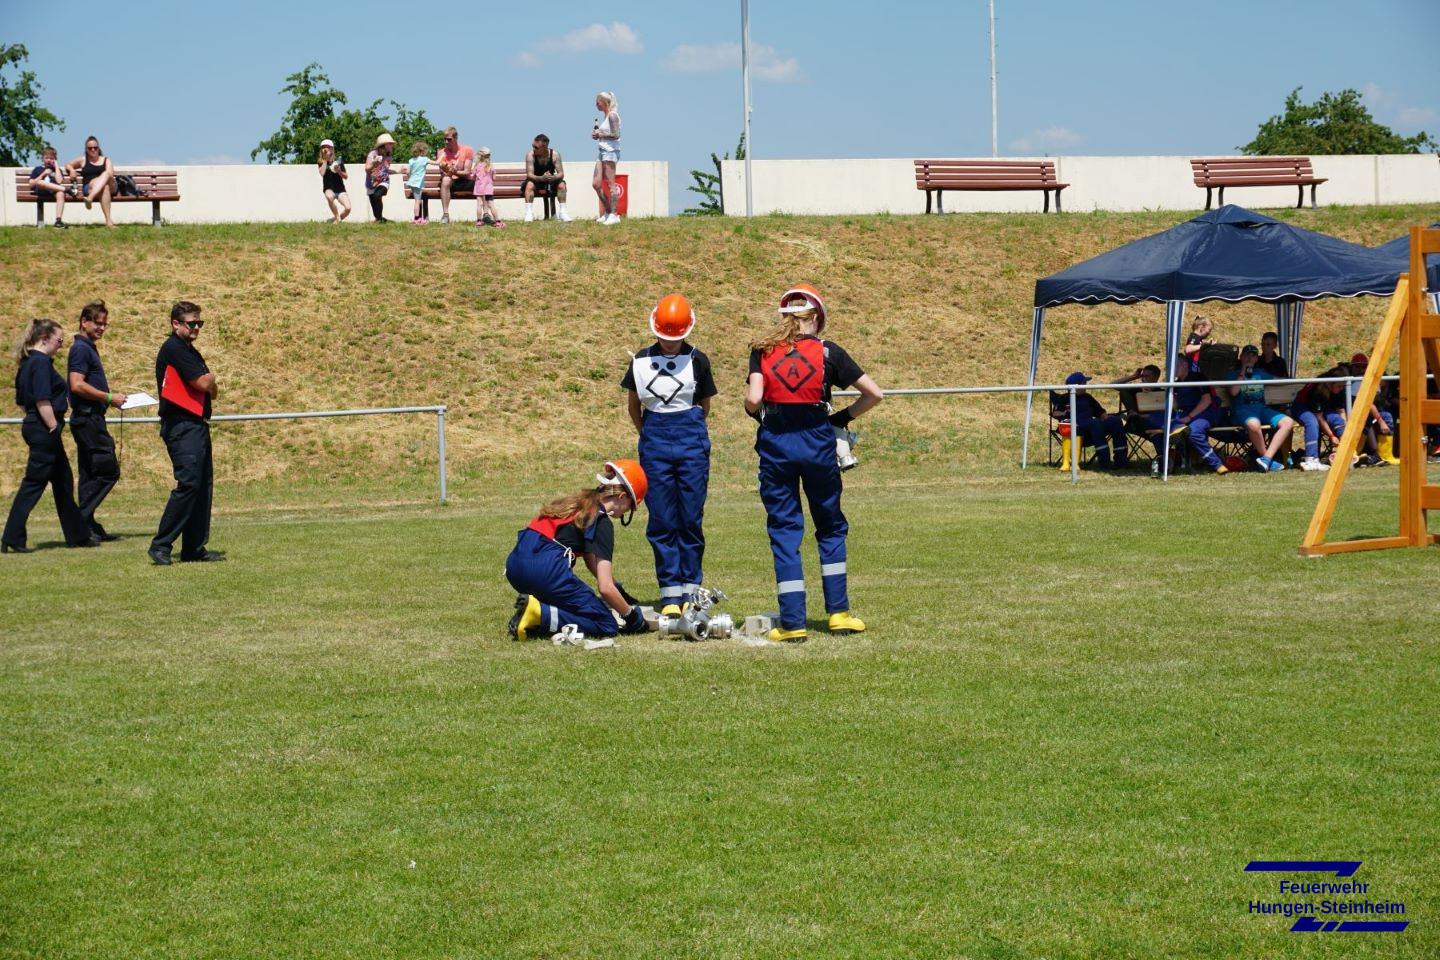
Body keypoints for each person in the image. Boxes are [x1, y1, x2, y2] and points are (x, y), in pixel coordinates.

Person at [744, 283, 882, 643]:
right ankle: (838, 614)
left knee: (785, 530)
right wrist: (841, 418)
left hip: (776, 443)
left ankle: (792, 623)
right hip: (818, 440)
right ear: (817, 317)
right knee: (830, 525)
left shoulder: (763, 351)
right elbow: (874, 394)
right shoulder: (828, 352)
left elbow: (753, 400)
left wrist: (765, 416)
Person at [622, 294, 717, 614]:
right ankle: (670, 595)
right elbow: (634, 406)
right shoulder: (639, 360)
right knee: (662, 520)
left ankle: (691, 591)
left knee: (690, 518)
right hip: (655, 443)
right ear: (655, 330)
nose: (670, 342)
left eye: (675, 337)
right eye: (665, 336)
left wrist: (686, 431)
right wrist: (649, 435)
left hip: (691, 442)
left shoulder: (699, 360)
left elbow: (704, 407)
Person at [506, 459, 652, 641]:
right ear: (622, 497)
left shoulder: (578, 504)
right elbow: (605, 587)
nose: (626, 512)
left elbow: (593, 564)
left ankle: (533, 613)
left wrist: (620, 594)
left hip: (515, 568)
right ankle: (539, 615)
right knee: (605, 623)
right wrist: (632, 617)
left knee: (573, 607)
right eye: (631, 507)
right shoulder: (601, 522)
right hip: (544, 571)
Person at [3, 319, 92, 552]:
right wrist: (53, 425)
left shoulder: (27, 363)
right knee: (34, 482)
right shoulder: (41, 363)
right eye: (59, 341)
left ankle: (78, 535)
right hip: (44, 427)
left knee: (62, 480)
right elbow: (42, 398)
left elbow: (22, 401)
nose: (61, 346)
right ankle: (12, 536)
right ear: (44, 340)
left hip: (35, 425)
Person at [149, 301, 222, 565]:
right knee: (189, 483)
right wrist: (209, 382)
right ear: (175, 324)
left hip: (196, 424)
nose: (196, 328)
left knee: (202, 486)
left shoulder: (190, 350)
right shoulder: (173, 348)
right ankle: (161, 545)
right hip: (180, 425)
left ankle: (193, 547)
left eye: (199, 323)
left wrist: (210, 384)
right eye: (192, 323)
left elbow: (212, 389)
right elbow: (204, 382)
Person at [67, 300, 128, 540]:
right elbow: (76, 384)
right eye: (98, 323)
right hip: (88, 419)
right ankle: (79, 521)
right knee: (107, 470)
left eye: (105, 324)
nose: (102, 328)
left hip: (89, 417)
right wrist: (109, 397)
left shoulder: (87, 346)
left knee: (90, 473)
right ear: (84, 322)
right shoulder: (82, 348)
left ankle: (88, 526)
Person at [1229, 344, 1294, 472]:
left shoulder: (1260, 374)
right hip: (1242, 410)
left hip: (1262, 410)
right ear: (1241, 357)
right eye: (1246, 354)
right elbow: (1233, 392)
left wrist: (1294, 380)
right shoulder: (1232, 374)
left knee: (1288, 422)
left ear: (1256, 359)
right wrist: (1242, 372)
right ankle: (1267, 459)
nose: (1249, 357)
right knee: (1254, 424)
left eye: (1253, 355)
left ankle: (1266, 459)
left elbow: (1280, 380)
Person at [1055, 372, 1129, 469]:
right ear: (1077, 386)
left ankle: (1121, 461)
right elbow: (1055, 413)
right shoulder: (1064, 398)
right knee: (1095, 423)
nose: (1086, 386)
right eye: (1084, 383)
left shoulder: (1088, 397)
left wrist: (1106, 417)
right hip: (1077, 429)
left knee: (1115, 421)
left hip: (1093, 427)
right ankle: (1105, 462)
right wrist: (1063, 413)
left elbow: (1100, 412)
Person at [1171, 355, 1229, 474]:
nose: (1172, 369)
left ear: (1184, 365)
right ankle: (1176, 461)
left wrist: (1189, 417)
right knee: (1168, 426)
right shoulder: (1176, 384)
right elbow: (1176, 405)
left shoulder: (1198, 377)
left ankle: (1217, 465)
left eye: (1175, 365)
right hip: (1187, 413)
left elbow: (1206, 400)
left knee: (1194, 432)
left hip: (1206, 412)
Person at [1348, 352, 1399, 464]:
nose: (1360, 369)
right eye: (1357, 366)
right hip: (1355, 415)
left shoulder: (1371, 380)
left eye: (1363, 366)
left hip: (1368, 412)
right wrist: (1380, 422)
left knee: (1387, 416)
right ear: (1352, 367)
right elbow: (1369, 404)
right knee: (1372, 419)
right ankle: (1358, 453)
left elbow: (1374, 403)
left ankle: (1385, 455)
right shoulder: (1356, 382)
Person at [1289, 368, 1341, 472]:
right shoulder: (1318, 390)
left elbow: (1342, 411)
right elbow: (1319, 418)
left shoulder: (1339, 390)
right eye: (1339, 386)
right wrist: (1331, 436)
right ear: (1330, 384)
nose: (1341, 388)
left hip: (1320, 410)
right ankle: (1311, 459)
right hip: (1300, 406)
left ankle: (1349, 452)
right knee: (1312, 422)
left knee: (1337, 419)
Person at [66, 136, 116, 227]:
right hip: (90, 187)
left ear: (98, 148)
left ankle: (90, 198)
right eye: (90, 148)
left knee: (105, 174)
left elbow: (110, 174)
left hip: (110, 185)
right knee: (105, 187)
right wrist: (72, 170)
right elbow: (68, 164)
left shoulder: (106, 160)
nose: (93, 150)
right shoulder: (83, 160)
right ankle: (109, 222)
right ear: (86, 149)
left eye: (95, 148)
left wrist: (98, 179)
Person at [523, 134, 572, 222]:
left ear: (544, 146)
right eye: (533, 146)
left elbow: (561, 173)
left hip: (550, 181)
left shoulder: (555, 155)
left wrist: (553, 178)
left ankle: (563, 212)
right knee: (529, 184)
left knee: (561, 185)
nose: (534, 149)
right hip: (536, 180)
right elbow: (529, 175)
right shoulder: (530, 155)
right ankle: (529, 213)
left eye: (536, 147)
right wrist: (541, 178)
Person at [591, 91, 621, 225]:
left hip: (610, 152)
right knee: (596, 183)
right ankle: (608, 211)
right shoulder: (605, 117)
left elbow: (616, 134)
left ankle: (614, 214)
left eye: (598, 102)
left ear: (605, 102)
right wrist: (599, 135)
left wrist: (600, 134)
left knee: (610, 183)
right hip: (602, 151)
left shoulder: (613, 116)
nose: (596, 104)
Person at [436, 127, 475, 225]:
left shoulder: (467, 150)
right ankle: (445, 215)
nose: (446, 142)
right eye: (444, 139)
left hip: (466, 181)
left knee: (482, 183)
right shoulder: (441, 153)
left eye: (449, 139)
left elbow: (467, 172)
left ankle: (485, 215)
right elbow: (443, 173)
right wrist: (448, 171)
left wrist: (455, 172)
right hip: (451, 182)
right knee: (445, 180)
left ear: (456, 138)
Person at [28, 145, 70, 228]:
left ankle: (58, 221)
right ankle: (67, 190)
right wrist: (43, 174)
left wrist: (56, 166)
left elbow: (59, 181)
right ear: (42, 158)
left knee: (61, 193)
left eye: (51, 158)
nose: (48, 160)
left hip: (53, 191)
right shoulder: (38, 169)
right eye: (46, 158)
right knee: (40, 182)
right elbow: (31, 184)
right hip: (41, 191)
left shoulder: (56, 170)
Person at [317, 139, 350, 223]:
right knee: (329, 196)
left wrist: (339, 171)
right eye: (324, 147)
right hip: (328, 188)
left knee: (348, 208)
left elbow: (346, 176)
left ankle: (335, 220)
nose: (326, 149)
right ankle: (337, 217)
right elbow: (322, 173)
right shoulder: (321, 161)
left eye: (328, 147)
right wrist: (325, 160)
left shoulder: (338, 161)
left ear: (332, 149)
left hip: (340, 189)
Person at [364, 133, 395, 223]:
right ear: (384, 144)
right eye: (390, 143)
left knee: (378, 195)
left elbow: (386, 171)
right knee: (374, 201)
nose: (392, 145)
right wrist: (374, 163)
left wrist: (399, 171)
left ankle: (379, 219)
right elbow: (367, 169)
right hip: (371, 182)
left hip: (384, 181)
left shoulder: (389, 157)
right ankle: (379, 218)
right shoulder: (373, 154)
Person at [471, 147, 504, 227]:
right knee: (491, 205)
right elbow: (494, 177)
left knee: (479, 204)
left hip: (478, 187)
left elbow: (472, 176)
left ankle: (479, 221)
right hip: (488, 189)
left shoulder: (477, 165)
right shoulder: (490, 166)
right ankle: (498, 222)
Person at [406, 140, 434, 225]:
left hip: (412, 182)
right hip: (418, 184)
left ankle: (418, 218)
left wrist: (410, 178)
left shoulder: (411, 160)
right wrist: (442, 157)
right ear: (423, 151)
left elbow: (407, 172)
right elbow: (436, 163)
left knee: (417, 200)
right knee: (417, 201)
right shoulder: (424, 159)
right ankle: (417, 219)